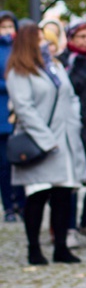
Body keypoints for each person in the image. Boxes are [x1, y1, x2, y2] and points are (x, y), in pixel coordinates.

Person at [7, 22, 86, 265]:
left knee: (63, 196)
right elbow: (23, 108)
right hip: (39, 145)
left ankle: (61, 248)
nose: (45, 41)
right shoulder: (19, 70)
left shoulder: (54, 66)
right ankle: (34, 249)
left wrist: (73, 123)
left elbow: (71, 97)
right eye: (40, 37)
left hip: (64, 143)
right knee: (37, 196)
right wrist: (45, 139)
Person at [58, 21, 86, 247]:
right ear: (70, 39)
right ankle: (68, 228)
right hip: (71, 130)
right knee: (71, 182)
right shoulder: (64, 64)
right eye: (81, 36)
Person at [0, 11, 25, 222]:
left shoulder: (20, 48)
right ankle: (8, 205)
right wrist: (10, 84)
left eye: (10, 26)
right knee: (5, 163)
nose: (7, 31)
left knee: (23, 159)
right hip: (2, 114)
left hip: (21, 113)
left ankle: (22, 203)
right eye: (3, 27)